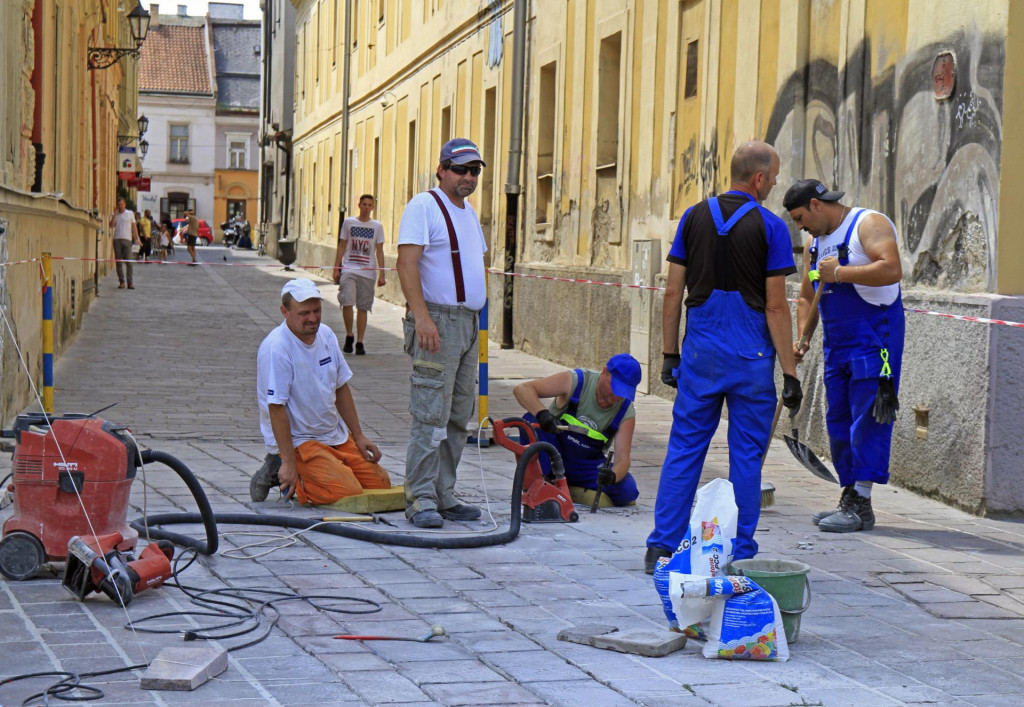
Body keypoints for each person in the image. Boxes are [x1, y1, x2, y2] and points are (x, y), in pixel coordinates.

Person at [645, 141, 803, 574]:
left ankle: (661, 547)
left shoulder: (693, 217)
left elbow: (673, 292)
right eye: (771, 178)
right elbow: (775, 306)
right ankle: (739, 552)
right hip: (750, 355)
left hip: (700, 351)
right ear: (758, 178)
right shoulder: (771, 228)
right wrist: (789, 372)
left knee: (684, 447)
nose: (772, 185)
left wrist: (668, 353)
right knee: (746, 456)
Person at [783, 179, 904, 533]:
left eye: (801, 217)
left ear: (816, 205)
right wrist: (804, 334)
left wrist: (842, 273)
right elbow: (807, 296)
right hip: (836, 343)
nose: (800, 226)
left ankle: (862, 502)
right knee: (838, 417)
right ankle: (849, 497)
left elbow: (891, 268)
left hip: (874, 337)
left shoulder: (868, 224)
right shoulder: (814, 245)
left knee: (868, 417)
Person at [396, 137, 488, 528]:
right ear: (442, 170)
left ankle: (443, 493)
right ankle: (419, 498)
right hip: (437, 320)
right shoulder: (424, 206)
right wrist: (422, 318)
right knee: (430, 414)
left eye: (474, 171)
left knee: (458, 416)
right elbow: (406, 264)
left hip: (468, 324)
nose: (468, 177)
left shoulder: (468, 213)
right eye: (461, 169)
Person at [250, 279, 391, 505]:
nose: (313, 318)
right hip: (300, 441)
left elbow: (341, 386)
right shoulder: (277, 348)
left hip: (333, 434)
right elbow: (276, 408)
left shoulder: (326, 335)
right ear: (284, 312)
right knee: (347, 492)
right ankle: (283, 468)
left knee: (380, 484)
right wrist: (288, 460)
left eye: (317, 310)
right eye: (304, 313)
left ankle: (323, 469)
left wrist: (359, 435)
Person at [514, 354, 642, 506]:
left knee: (627, 490)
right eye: (615, 387)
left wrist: (612, 476)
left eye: (623, 392)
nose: (617, 396)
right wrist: (542, 414)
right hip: (552, 454)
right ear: (605, 372)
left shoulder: (625, 411)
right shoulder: (577, 381)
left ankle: (567, 488)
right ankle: (542, 485)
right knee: (531, 422)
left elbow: (623, 460)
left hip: (585, 465)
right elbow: (522, 389)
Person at [333, 194, 387, 355]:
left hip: (368, 271)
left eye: (369, 205)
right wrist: (337, 267)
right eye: (364, 204)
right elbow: (342, 245)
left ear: (373, 208)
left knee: (363, 306)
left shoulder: (377, 226)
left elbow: (380, 251)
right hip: (349, 268)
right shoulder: (349, 222)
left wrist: (382, 274)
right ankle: (349, 334)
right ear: (359, 205)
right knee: (347, 300)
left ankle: (360, 341)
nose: (366, 207)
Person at [108, 198, 139, 289]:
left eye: (121, 204)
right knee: (118, 262)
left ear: (124, 204)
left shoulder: (130, 213)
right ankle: (121, 281)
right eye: (119, 205)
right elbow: (111, 225)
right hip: (117, 239)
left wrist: (136, 238)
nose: (120, 206)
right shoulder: (116, 214)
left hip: (127, 239)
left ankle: (130, 282)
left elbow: (134, 227)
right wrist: (115, 215)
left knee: (129, 262)